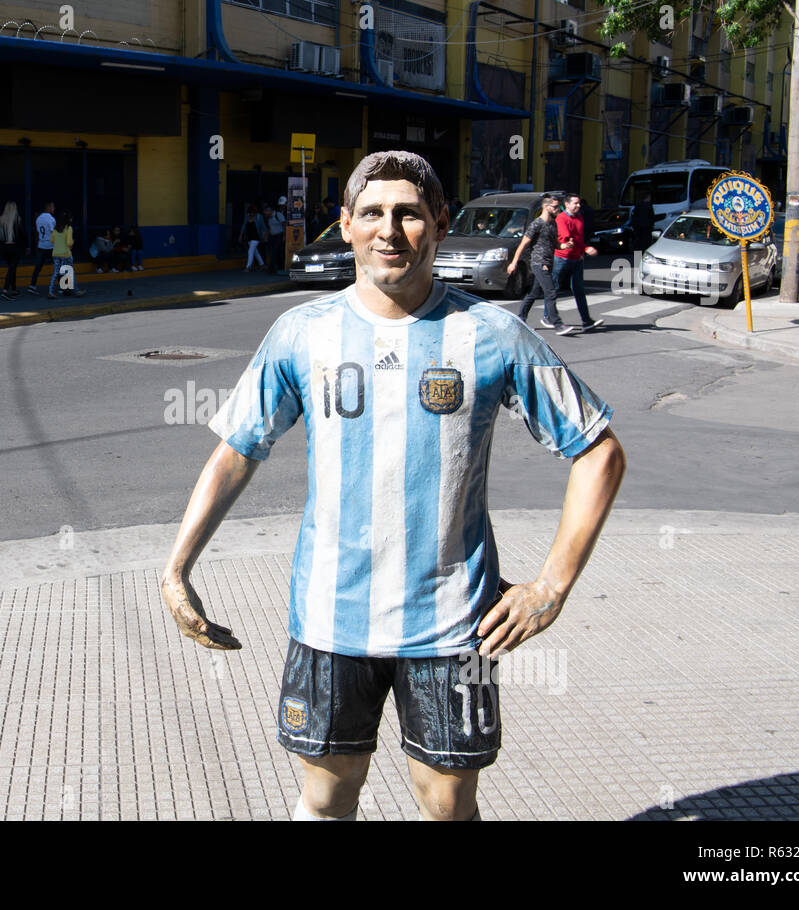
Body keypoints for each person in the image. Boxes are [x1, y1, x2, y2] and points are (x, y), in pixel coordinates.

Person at [160, 150, 625, 822]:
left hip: (452, 626)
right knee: (326, 796)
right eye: (372, 213)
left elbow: (598, 451)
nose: (389, 229)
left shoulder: (493, 334)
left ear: (438, 223)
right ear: (345, 225)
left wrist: (551, 585)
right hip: (328, 618)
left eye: (408, 213)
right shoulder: (301, 332)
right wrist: (177, 567)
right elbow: (238, 448)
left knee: (446, 805)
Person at [507, 195, 577, 335]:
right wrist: (514, 263)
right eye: (555, 207)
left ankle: (520, 319)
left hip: (548, 262)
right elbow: (523, 244)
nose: (558, 210)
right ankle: (557, 324)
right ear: (546, 207)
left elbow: (555, 243)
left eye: (559, 207)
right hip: (539, 263)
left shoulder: (552, 224)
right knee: (550, 292)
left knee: (533, 293)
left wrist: (565, 245)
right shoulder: (536, 224)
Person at [554, 193, 604, 331]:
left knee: (579, 290)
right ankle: (549, 316)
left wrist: (582, 252)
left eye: (579, 203)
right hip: (562, 258)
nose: (578, 205)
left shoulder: (580, 217)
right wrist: (586, 248)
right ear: (567, 204)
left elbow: (579, 238)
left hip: (577, 259)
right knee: (554, 289)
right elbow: (567, 238)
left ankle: (586, 321)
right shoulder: (561, 218)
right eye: (575, 203)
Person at [47, 210, 85, 299]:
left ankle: (50, 292)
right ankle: (76, 291)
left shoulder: (55, 229)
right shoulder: (69, 228)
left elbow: (52, 241)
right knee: (70, 272)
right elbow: (69, 242)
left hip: (56, 253)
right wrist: (72, 242)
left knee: (56, 273)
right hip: (65, 254)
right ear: (68, 220)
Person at [0, 201, 28, 300]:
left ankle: (14, 289)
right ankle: (5, 290)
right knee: (12, 269)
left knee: (12, 268)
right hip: (15, 247)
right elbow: (23, 234)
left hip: (4, 248)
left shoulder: (1, 220)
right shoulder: (17, 219)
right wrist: (26, 246)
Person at [27, 201, 56, 295]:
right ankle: (64, 287)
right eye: (52, 207)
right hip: (50, 246)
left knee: (38, 268)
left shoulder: (38, 219)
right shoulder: (51, 219)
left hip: (41, 245)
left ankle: (32, 286)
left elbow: (38, 232)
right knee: (58, 266)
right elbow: (53, 233)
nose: (54, 209)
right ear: (48, 207)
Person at [265, 200, 287, 274]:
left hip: (279, 236)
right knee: (272, 252)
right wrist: (266, 236)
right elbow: (269, 227)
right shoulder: (268, 217)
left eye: (267, 211)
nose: (265, 212)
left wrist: (284, 236)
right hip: (272, 236)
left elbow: (284, 225)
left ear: (271, 211)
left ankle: (272, 269)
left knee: (274, 252)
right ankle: (276, 267)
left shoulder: (278, 215)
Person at [240, 206, 264, 271]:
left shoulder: (259, 217)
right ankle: (262, 265)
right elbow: (243, 226)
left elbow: (263, 227)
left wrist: (265, 236)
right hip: (249, 238)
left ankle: (248, 267)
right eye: (250, 212)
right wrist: (240, 235)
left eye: (253, 213)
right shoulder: (247, 217)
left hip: (256, 238)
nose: (251, 214)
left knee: (250, 251)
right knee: (256, 252)